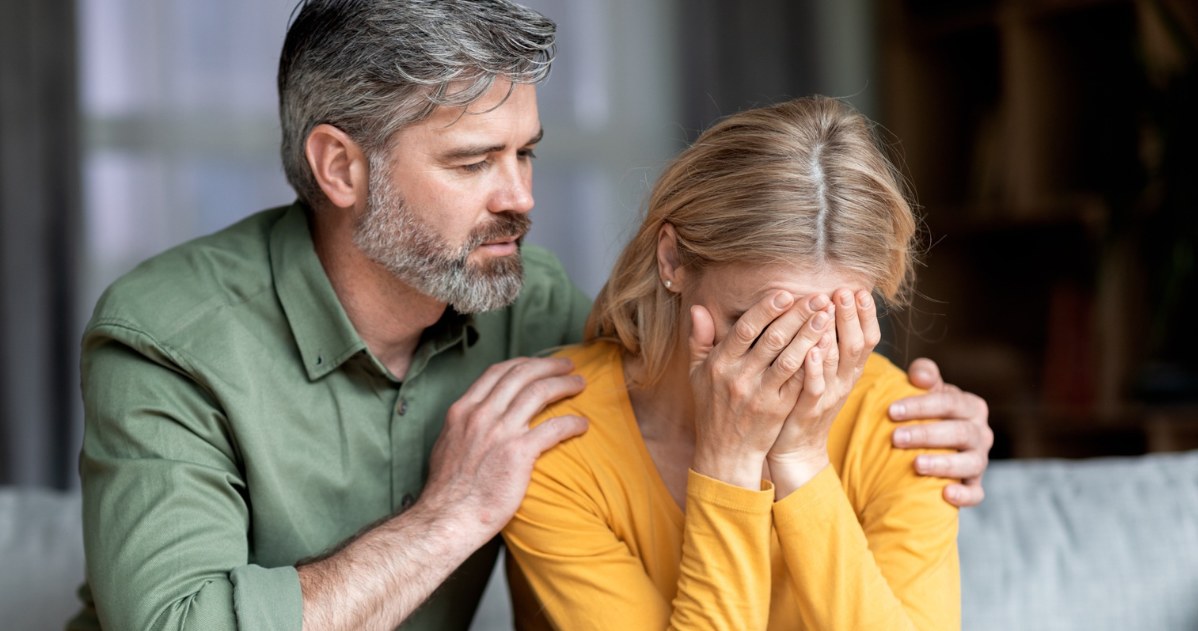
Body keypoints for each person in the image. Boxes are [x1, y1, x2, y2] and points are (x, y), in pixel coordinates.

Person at [69, 2, 989, 630]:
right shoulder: (167, 337)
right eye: (473, 163)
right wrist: (452, 514)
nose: (519, 196)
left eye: (528, 153)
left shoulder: (533, 303)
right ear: (340, 168)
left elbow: (661, 380)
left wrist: (942, 427)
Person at [503, 95, 960, 630]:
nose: (794, 364)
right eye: (758, 326)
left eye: (830, 328)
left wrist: (802, 462)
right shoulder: (557, 443)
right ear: (671, 259)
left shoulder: (903, 426)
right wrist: (729, 465)